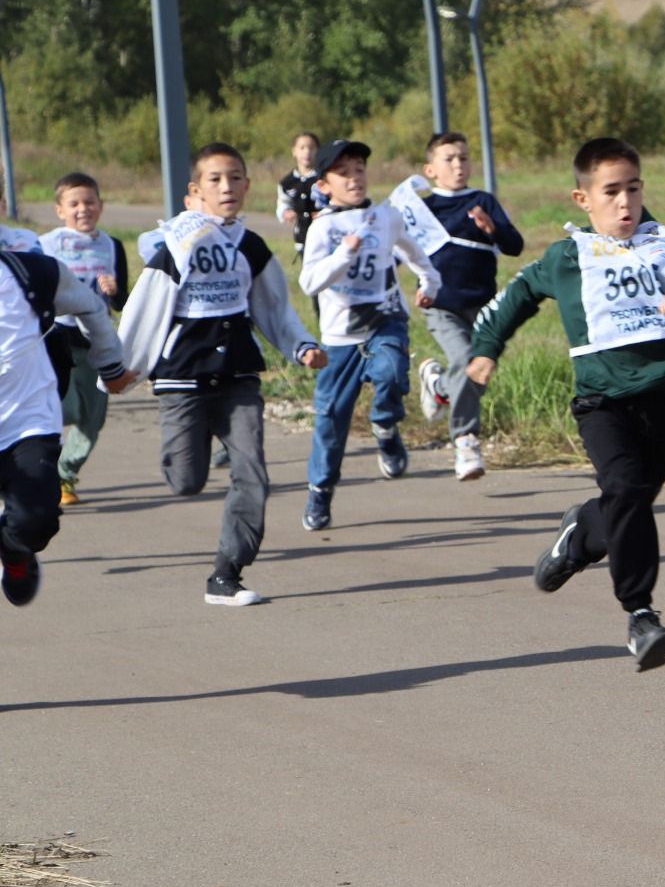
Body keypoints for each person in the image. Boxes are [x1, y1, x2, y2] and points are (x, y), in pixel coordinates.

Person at [467, 137, 665, 671]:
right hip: (602, 404)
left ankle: (581, 534)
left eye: (633, 190)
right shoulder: (568, 257)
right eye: (611, 192)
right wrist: (485, 349)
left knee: (625, 504)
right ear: (583, 199)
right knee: (626, 491)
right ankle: (641, 616)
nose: (625, 204)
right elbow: (515, 296)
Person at [117, 143, 327, 606]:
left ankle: (226, 574)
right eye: (215, 179)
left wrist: (302, 345)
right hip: (184, 378)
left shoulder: (250, 247)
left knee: (252, 472)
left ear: (248, 187)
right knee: (186, 480)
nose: (226, 187)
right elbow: (146, 307)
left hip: (237, 377)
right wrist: (120, 368)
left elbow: (275, 309)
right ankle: (194, 444)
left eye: (235, 178)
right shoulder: (178, 244)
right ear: (195, 191)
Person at [298, 138, 439, 531]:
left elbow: (414, 251)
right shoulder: (322, 228)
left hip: (385, 319)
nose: (354, 178)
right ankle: (320, 492)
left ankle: (385, 426)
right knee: (330, 421)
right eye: (343, 173)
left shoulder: (386, 217)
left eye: (359, 169)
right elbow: (309, 282)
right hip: (340, 335)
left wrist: (430, 281)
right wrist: (343, 254)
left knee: (393, 371)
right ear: (324, 185)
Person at [0, 245, 133, 606]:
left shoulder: (33, 273)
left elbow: (90, 305)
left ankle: (14, 551)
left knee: (37, 522)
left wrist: (110, 364)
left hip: (25, 424)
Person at [404, 131, 525, 481]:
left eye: (464, 158)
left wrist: (493, 230)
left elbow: (515, 245)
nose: (459, 165)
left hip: (483, 305)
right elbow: (398, 251)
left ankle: (439, 387)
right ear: (430, 169)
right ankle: (465, 440)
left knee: (477, 371)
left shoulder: (482, 201)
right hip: (440, 304)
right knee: (465, 360)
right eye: (449, 159)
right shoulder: (423, 208)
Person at [39, 173, 129, 504]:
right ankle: (33, 464)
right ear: (59, 209)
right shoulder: (45, 245)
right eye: (74, 203)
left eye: (90, 202)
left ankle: (65, 474)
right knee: (66, 408)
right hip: (56, 336)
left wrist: (115, 292)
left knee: (93, 417)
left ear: (101, 206)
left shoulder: (112, 245)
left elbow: (122, 303)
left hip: (97, 341)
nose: (83, 209)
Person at [276, 131, 324, 257]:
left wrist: (325, 212)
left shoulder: (324, 178)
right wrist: (285, 212)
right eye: (302, 148)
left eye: (311, 148)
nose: (307, 152)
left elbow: (335, 200)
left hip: (325, 235)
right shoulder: (287, 182)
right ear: (294, 151)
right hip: (302, 236)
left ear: (318, 151)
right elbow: (283, 202)